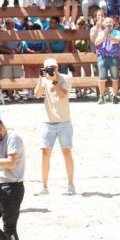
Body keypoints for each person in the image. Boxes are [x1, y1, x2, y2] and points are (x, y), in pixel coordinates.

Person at [34, 58, 76, 196]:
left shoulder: (65, 78)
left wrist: (53, 81)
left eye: (54, 68)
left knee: (67, 153)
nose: (52, 70)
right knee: (45, 154)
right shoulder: (44, 79)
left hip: (64, 121)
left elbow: (63, 95)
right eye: (49, 68)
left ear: (58, 68)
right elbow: (37, 95)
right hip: (48, 121)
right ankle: (44, 187)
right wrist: (40, 79)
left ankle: (71, 185)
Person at [93, 17, 120, 104]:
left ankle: (115, 96)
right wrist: (103, 35)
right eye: (107, 22)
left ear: (113, 24)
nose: (108, 24)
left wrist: (108, 36)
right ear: (103, 24)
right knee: (102, 78)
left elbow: (117, 41)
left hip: (113, 56)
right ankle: (101, 97)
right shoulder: (100, 33)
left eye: (110, 22)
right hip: (102, 56)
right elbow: (96, 43)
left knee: (115, 77)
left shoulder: (117, 32)